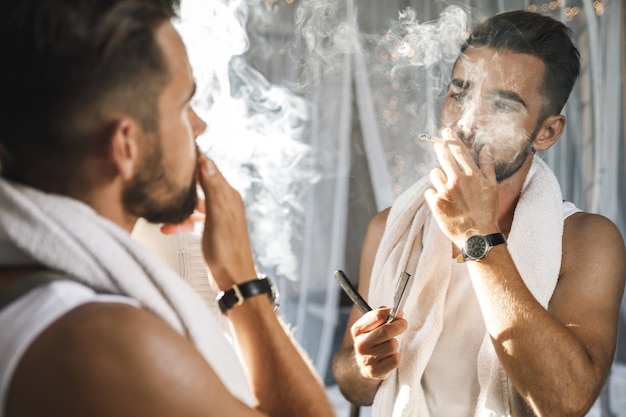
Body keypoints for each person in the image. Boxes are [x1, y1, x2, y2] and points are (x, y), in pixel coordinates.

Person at [0, 1, 334, 416]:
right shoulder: (105, 341)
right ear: (126, 146)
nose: (199, 126)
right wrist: (241, 281)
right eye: (183, 106)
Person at [333, 10, 625, 417]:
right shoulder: (391, 227)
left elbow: (564, 402)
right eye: (459, 93)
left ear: (547, 132)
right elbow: (351, 382)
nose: (468, 122)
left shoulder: (585, 240)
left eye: (502, 104)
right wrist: (365, 365)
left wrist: (478, 234)